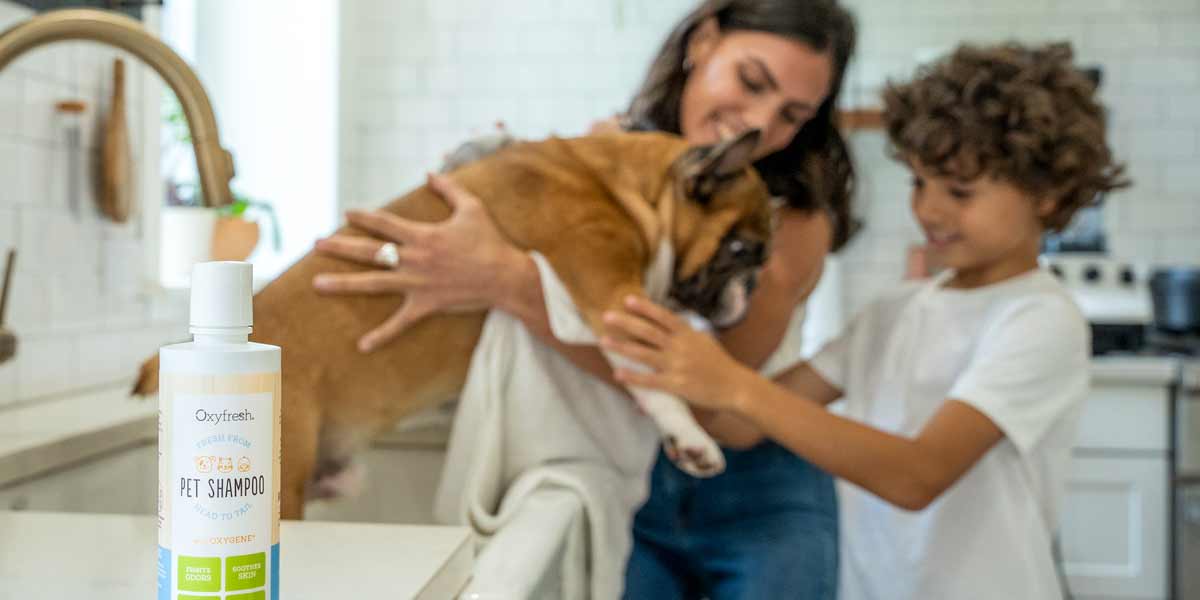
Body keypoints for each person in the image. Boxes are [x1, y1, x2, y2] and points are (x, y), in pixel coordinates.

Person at [311, 1, 857, 597]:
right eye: (751, 81)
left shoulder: (792, 222)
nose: (758, 123)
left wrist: (512, 284)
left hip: (759, 496)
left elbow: (713, 411)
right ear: (702, 40)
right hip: (636, 488)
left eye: (793, 115)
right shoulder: (610, 159)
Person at [598, 42, 1128, 599]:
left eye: (960, 192)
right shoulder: (896, 312)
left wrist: (731, 384)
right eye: (920, 183)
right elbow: (743, 426)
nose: (929, 211)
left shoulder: (1040, 319)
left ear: (1047, 195)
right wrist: (668, 365)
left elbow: (917, 475)